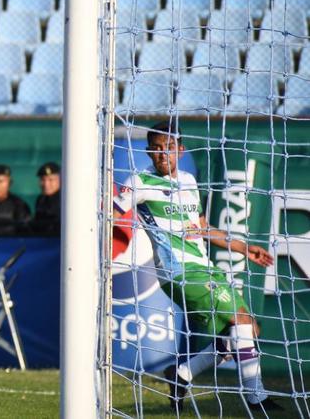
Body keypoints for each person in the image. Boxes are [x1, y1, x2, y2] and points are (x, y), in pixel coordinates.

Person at [113, 121, 279, 413]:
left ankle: (182, 374)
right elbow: (111, 213)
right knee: (240, 321)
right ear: (149, 152)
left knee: (248, 328)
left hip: (204, 266)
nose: (164, 154)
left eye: (170, 148)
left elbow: (202, 227)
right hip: (177, 271)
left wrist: (243, 247)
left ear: (181, 149)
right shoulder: (140, 182)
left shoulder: (189, 180)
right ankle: (257, 399)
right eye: (157, 149)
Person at [31, 161, 61, 235]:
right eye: (43, 180)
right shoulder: (41, 199)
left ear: (60, 180)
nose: (46, 184)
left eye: (51, 180)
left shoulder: (66, 200)